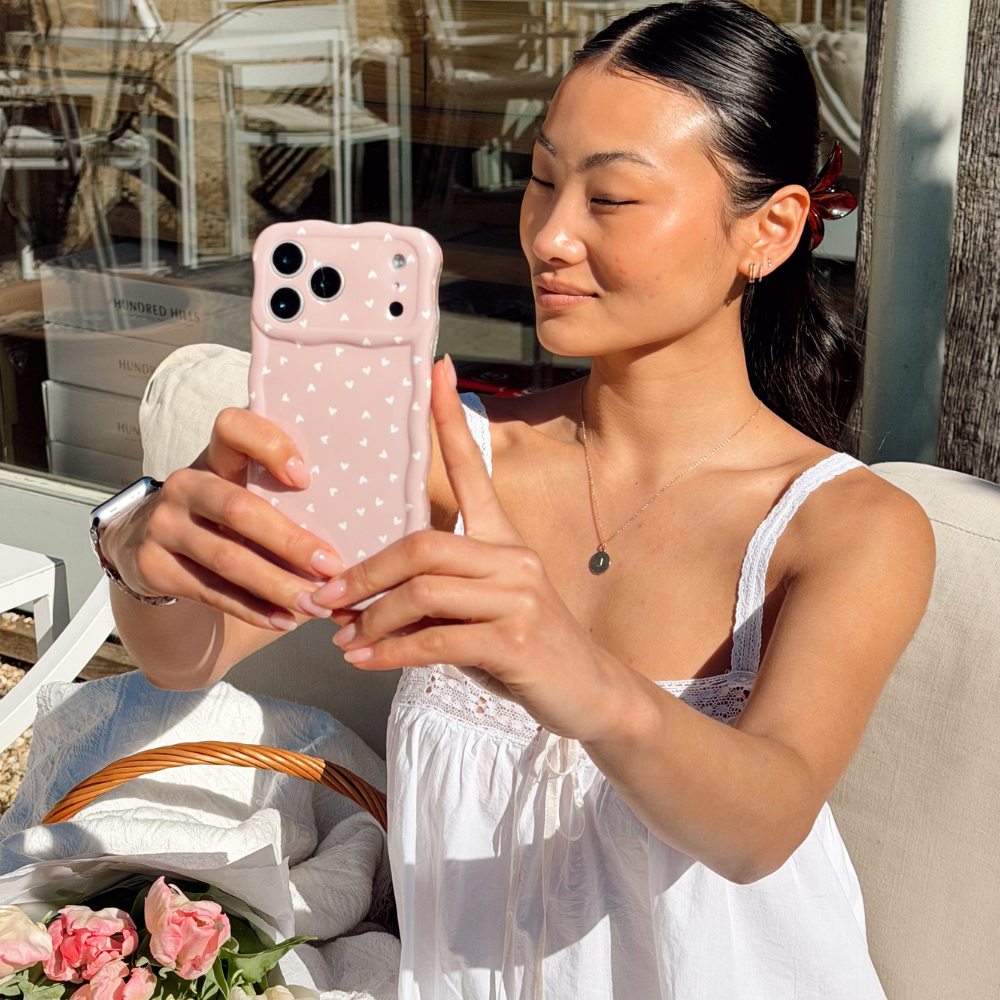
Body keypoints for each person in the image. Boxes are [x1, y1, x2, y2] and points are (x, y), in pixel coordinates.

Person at [102, 1, 935, 996]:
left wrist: (569, 667)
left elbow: (761, 825)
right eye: (540, 180)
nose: (549, 234)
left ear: (771, 229)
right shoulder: (449, 461)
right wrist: (147, 552)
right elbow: (186, 655)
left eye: (612, 198)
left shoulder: (844, 526)